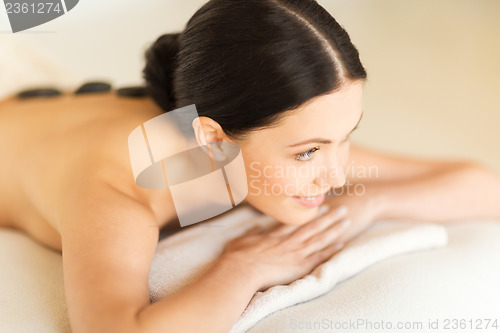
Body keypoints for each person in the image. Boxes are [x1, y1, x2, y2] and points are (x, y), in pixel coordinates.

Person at [0, 0, 499, 332]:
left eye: (345, 138)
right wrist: (243, 269)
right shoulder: (117, 192)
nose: (336, 175)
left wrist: (375, 202)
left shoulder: (248, 137)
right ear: (212, 138)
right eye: (308, 152)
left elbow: (486, 187)